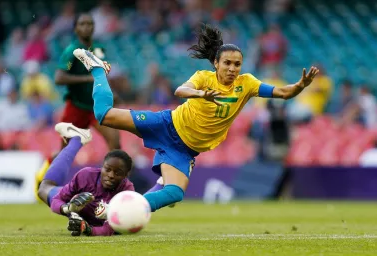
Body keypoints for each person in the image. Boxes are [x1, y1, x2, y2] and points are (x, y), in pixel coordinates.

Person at [73, 23, 319, 213]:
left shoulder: (247, 84)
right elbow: (181, 91)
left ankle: (118, 211)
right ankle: (98, 69)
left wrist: (300, 85)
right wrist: (201, 94)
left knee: (175, 193)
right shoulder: (203, 77)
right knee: (103, 115)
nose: (233, 69)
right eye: (228, 63)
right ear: (216, 63)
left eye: (237, 64)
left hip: (185, 150)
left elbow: (284, 93)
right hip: (166, 125)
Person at [35, 13, 120, 196]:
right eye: (82, 24)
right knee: (64, 154)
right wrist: (87, 78)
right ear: (75, 28)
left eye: (90, 23)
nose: (87, 27)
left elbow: (102, 74)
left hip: (96, 108)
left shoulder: (99, 50)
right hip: (76, 108)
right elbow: (59, 78)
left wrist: (112, 91)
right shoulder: (71, 51)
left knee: (115, 142)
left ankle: (110, 189)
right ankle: (42, 179)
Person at [37, 122, 134, 236]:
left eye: (118, 173)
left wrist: (86, 229)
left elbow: (109, 229)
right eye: (107, 169)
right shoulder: (86, 175)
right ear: (102, 167)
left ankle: (76, 140)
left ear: (125, 176)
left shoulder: (126, 193)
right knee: (43, 189)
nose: (111, 175)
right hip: (76, 209)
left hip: (93, 221)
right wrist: (67, 208)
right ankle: (76, 140)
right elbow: (57, 201)